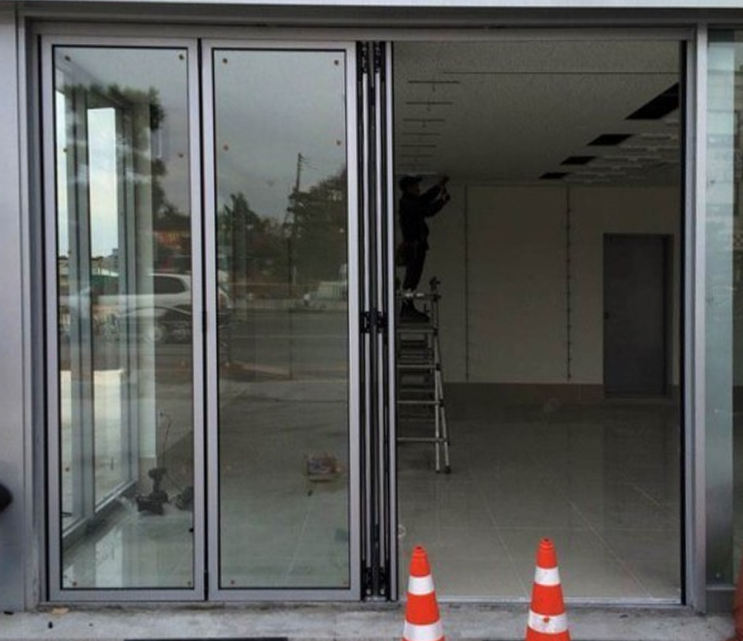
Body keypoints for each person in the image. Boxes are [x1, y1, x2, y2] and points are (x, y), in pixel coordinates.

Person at [398, 174, 450, 320]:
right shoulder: (408, 203)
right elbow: (427, 210)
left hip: (416, 246)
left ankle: (407, 307)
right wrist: (442, 200)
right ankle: (406, 308)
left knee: (413, 278)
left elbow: (425, 199)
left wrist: (438, 188)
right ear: (408, 188)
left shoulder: (410, 201)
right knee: (412, 278)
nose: (418, 188)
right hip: (414, 247)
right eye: (415, 186)